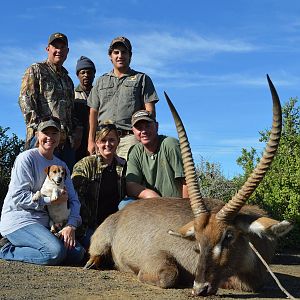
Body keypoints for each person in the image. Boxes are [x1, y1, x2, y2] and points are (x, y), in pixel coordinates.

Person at [0, 116, 85, 265]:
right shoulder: (25, 159)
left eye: (55, 133)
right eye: (45, 132)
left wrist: (71, 225)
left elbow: (74, 200)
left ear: (60, 137)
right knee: (55, 252)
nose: (50, 137)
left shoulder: (61, 166)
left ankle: (31, 243)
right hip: (21, 220)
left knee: (77, 254)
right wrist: (50, 200)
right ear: (37, 135)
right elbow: (18, 197)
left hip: (46, 224)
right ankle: (6, 249)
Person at [87, 36, 159, 159]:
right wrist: (91, 141)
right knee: (102, 176)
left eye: (124, 52)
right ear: (110, 56)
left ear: (130, 55)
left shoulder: (142, 79)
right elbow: (93, 112)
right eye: (116, 52)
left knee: (130, 176)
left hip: (130, 139)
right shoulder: (101, 81)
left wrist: (146, 137)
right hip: (104, 139)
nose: (120, 56)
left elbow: (150, 112)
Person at [18, 32, 81, 172]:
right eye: (55, 47)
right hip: (42, 141)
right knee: (37, 183)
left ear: (67, 51)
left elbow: (71, 111)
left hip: (65, 144)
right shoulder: (36, 70)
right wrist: (38, 130)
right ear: (48, 49)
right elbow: (25, 101)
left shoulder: (68, 80)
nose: (58, 50)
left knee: (64, 186)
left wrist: (75, 132)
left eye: (62, 47)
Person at [71, 121, 126, 249]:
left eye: (112, 140)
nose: (108, 144)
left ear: (118, 141)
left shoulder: (124, 166)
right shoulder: (84, 164)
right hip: (89, 227)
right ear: (97, 142)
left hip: (114, 227)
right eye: (103, 140)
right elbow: (76, 200)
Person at [119, 110, 188, 209]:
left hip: (174, 207)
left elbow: (187, 182)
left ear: (156, 126)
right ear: (133, 131)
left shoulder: (170, 144)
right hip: (151, 205)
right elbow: (131, 185)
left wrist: (185, 209)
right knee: (124, 205)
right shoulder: (135, 151)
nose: (144, 131)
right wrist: (150, 196)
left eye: (147, 126)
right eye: (139, 128)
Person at [74, 56, 96, 162]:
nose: (86, 75)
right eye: (83, 72)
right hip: (77, 140)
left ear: (94, 74)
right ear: (78, 75)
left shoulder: (99, 94)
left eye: (89, 72)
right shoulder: (71, 94)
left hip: (95, 138)